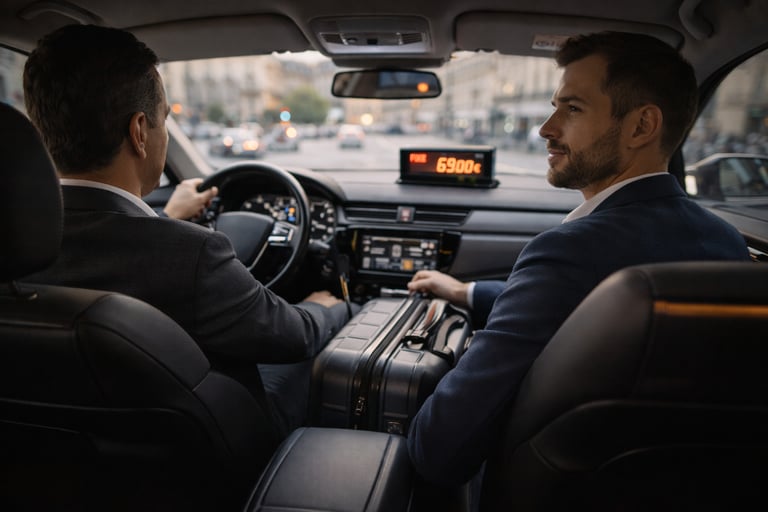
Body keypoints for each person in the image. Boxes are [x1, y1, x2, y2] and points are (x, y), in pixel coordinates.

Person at [406, 31, 751, 487]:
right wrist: (465, 292)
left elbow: (438, 450)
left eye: (572, 108)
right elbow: (583, 318)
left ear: (642, 127)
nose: (546, 128)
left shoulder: (571, 251)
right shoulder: (727, 243)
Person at [22, 24, 353, 441]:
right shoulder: (192, 255)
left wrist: (167, 221)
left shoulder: (16, 245)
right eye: (165, 120)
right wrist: (329, 306)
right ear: (139, 132)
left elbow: (119, 250)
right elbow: (293, 336)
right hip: (204, 461)